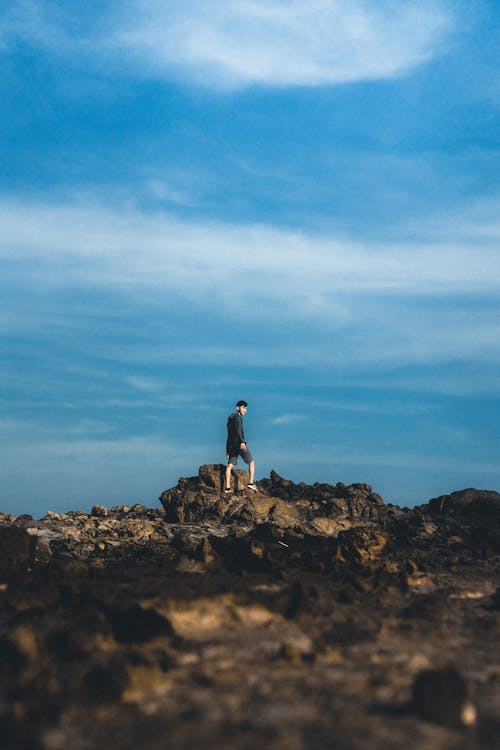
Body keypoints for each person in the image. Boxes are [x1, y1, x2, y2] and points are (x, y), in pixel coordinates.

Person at [224, 400, 257, 493]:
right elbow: (238, 431)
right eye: (244, 408)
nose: (245, 410)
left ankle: (227, 488)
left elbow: (229, 434)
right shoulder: (238, 417)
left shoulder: (230, 418)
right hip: (239, 444)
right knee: (251, 462)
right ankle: (251, 483)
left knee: (229, 466)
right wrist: (242, 442)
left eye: (246, 408)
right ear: (238, 408)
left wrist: (227, 449)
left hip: (231, 446)